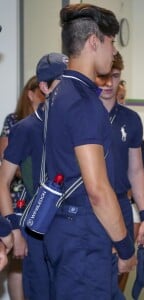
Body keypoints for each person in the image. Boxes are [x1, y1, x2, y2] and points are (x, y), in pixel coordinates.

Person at [43, 4, 136, 299]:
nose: (112, 51)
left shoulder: (59, 93)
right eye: (111, 42)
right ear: (95, 42)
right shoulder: (84, 101)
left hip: (62, 229)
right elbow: (97, 189)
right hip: (82, 236)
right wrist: (125, 246)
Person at [0, 52, 68, 300]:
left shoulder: (75, 125)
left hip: (69, 229)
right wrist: (14, 230)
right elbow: (3, 182)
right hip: (36, 229)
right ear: (44, 87)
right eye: (63, 83)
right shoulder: (24, 129)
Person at [95, 51, 144, 295]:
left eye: (115, 76)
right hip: (89, 207)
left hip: (120, 204)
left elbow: (137, 171)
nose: (109, 83)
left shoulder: (131, 120)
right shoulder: (81, 115)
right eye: (103, 77)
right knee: (94, 279)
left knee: (121, 274)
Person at [0, 74, 45, 300]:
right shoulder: (15, 121)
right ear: (30, 94)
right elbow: (7, 160)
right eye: (41, 92)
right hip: (16, 197)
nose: (46, 96)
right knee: (18, 259)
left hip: (40, 202)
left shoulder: (52, 123)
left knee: (34, 262)